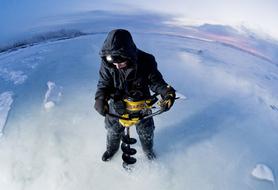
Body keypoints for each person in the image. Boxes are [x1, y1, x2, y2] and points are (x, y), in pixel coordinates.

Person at [94, 29, 176, 162]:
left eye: (120, 62)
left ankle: (148, 150)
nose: (117, 66)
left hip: (141, 104)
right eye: (113, 64)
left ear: (128, 55)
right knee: (113, 130)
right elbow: (104, 83)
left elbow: (156, 82)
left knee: (146, 131)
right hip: (117, 104)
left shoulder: (146, 60)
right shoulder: (107, 63)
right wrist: (100, 98)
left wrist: (167, 92)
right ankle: (112, 149)